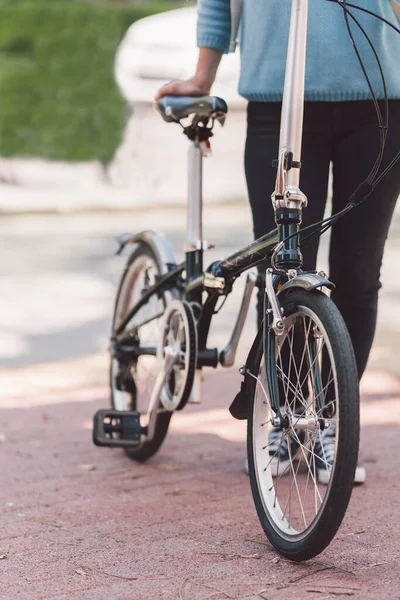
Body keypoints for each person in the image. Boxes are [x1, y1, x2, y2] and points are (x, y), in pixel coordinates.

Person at [155, 0, 400, 484]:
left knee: (356, 273)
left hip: (379, 102)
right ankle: (286, 420)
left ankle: (332, 422)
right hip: (277, 101)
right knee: (282, 272)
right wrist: (202, 78)